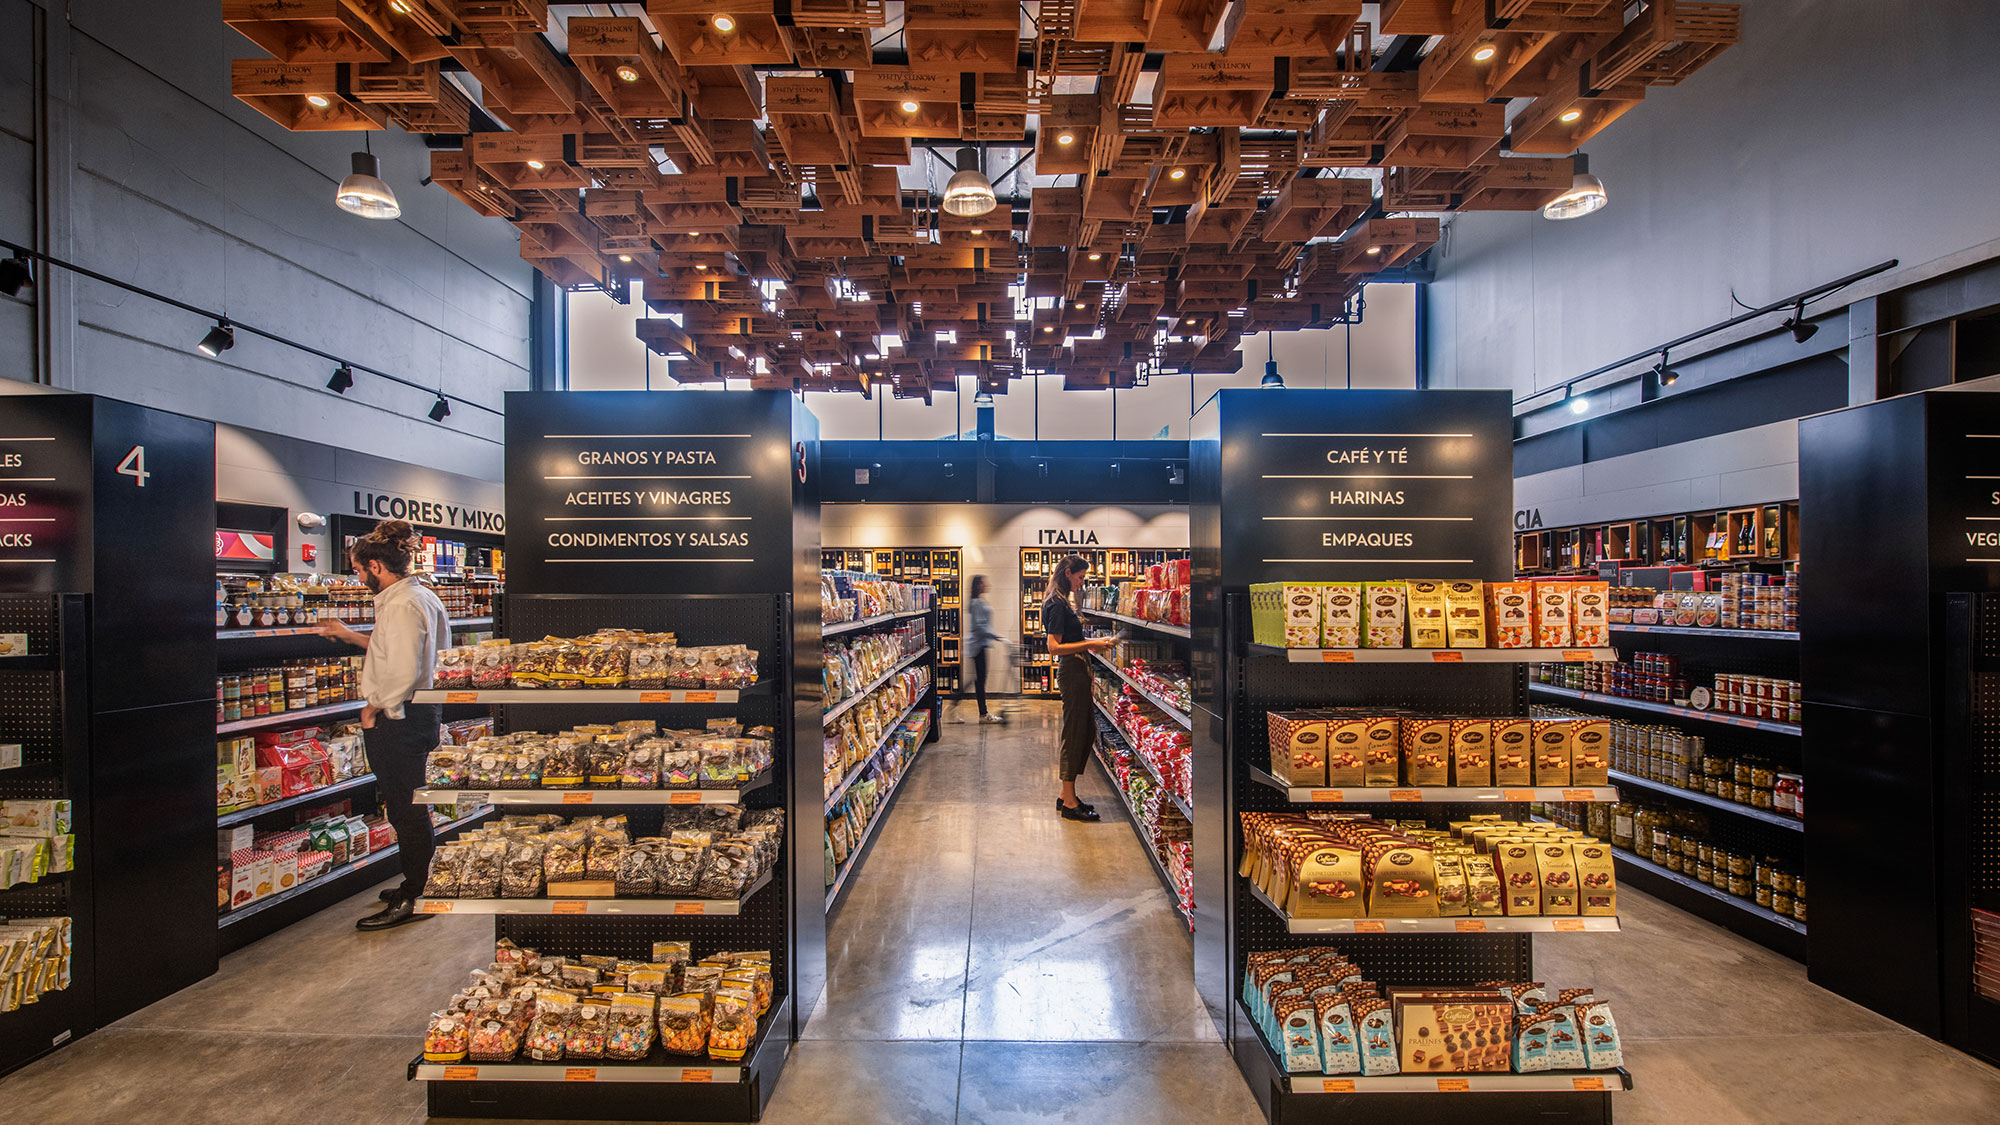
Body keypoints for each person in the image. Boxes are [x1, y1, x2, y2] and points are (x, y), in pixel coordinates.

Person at [317, 519, 452, 931]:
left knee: (407, 810)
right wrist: (353, 637)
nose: (358, 579)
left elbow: (404, 666)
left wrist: (375, 706)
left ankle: (417, 894)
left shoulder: (401, 603)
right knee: (404, 806)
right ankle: (416, 882)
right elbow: (399, 648)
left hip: (403, 717)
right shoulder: (417, 597)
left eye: (359, 570)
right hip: (415, 713)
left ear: (377, 565)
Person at [1043, 554, 1114, 821]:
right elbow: (1053, 647)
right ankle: (1070, 803)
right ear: (1069, 572)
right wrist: (1089, 645)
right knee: (1074, 733)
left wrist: (1091, 642)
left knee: (1085, 731)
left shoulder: (1061, 600)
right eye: (1081, 577)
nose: (1082, 583)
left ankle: (1066, 794)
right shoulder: (1057, 605)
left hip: (1077, 668)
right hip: (1071, 670)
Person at [963, 574, 1004, 725]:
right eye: (982, 583)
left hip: (980, 644)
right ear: (977, 585)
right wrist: (995, 635)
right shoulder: (976, 603)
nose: (985, 585)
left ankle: (956, 705)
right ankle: (983, 714)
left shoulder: (977, 601)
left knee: (978, 680)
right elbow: (980, 626)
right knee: (981, 680)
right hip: (979, 646)